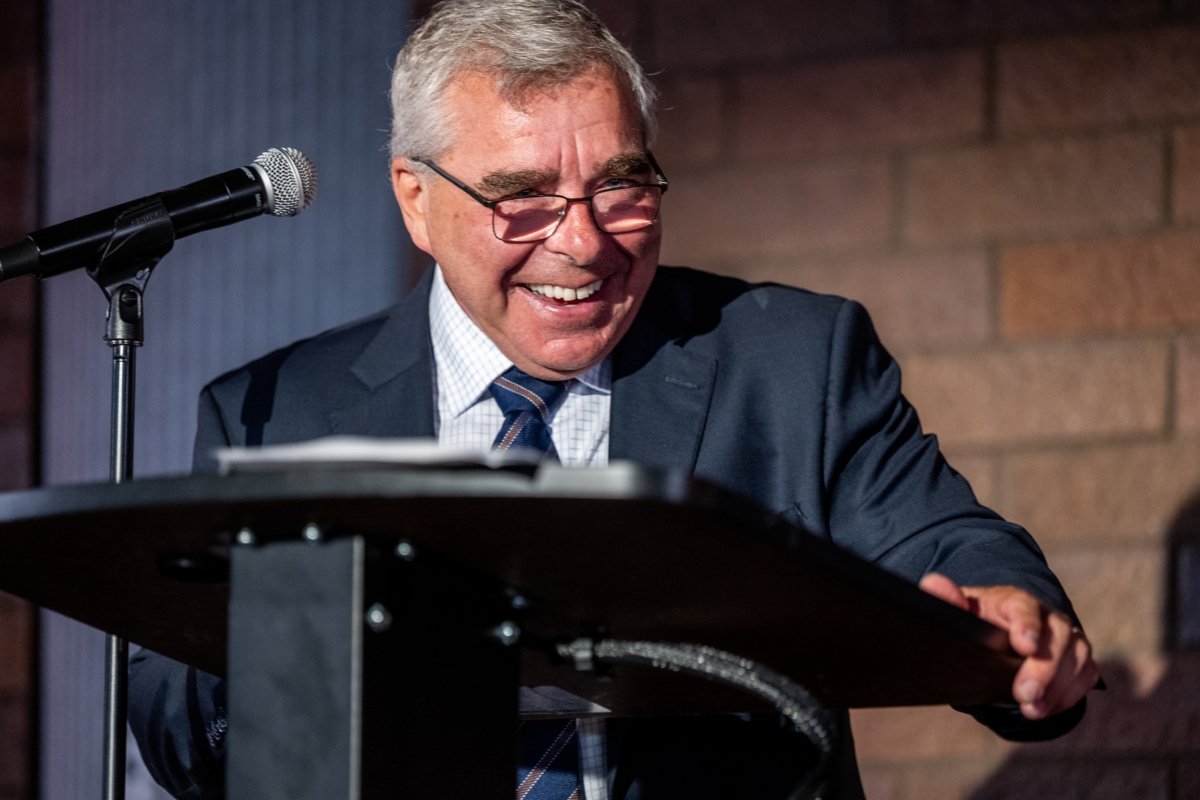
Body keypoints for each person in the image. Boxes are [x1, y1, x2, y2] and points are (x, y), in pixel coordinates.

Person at [128, 1, 1101, 798]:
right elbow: (178, 726)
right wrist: (307, 649)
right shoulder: (278, 410)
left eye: (621, 188)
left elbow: (949, 545)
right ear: (416, 199)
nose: (584, 242)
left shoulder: (792, 361)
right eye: (522, 198)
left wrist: (1017, 621)